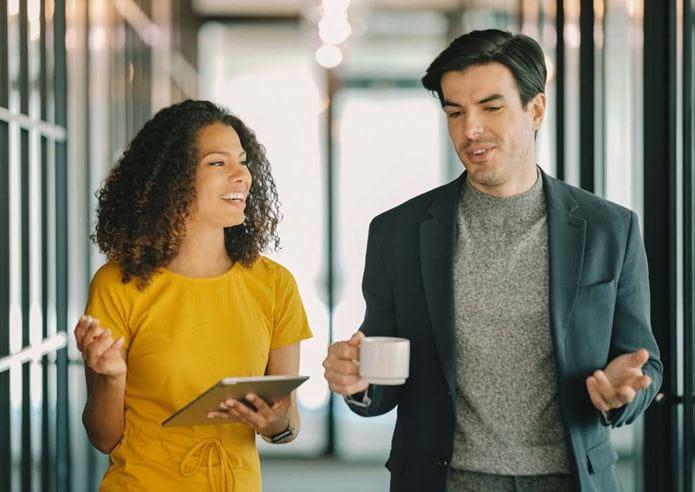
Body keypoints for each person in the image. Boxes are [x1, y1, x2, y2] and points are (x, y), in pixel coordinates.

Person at [322, 29, 662, 492]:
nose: (470, 130)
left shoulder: (610, 230)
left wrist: (622, 393)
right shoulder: (397, 233)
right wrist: (357, 381)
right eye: (455, 112)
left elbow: (644, 362)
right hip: (446, 480)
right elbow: (384, 374)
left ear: (535, 109)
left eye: (491, 107)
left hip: (570, 479)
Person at [74, 99, 312, 491]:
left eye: (243, 161)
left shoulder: (274, 284)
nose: (242, 176)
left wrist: (277, 424)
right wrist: (112, 379)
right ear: (173, 180)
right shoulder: (118, 283)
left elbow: (288, 423)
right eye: (219, 163)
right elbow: (104, 438)